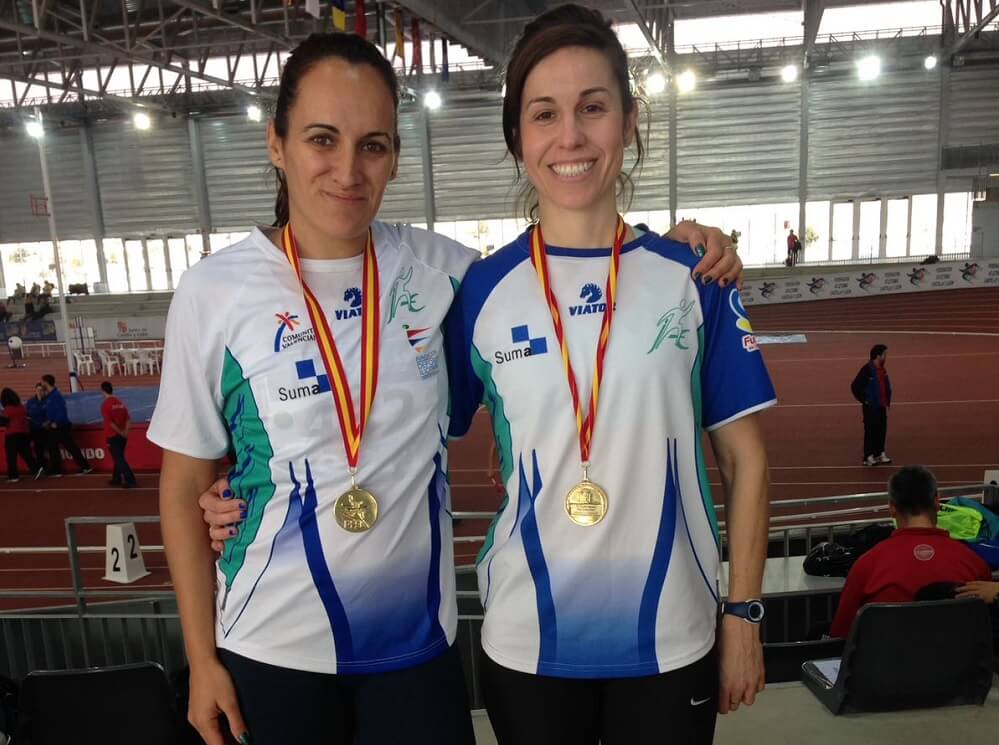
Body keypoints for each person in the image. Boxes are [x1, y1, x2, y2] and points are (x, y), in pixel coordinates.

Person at [159, 28, 745, 745]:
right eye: (321, 139)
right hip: (267, 643)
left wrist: (685, 242)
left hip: (416, 651)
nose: (347, 169)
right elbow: (182, 478)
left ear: (395, 158)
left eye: (372, 144)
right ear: (277, 144)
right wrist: (199, 656)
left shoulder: (448, 272)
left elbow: (567, 259)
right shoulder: (213, 291)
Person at [829, 466, 991, 638]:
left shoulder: (867, 565)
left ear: (892, 507)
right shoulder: (973, 563)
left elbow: (840, 635)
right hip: (958, 663)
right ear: (937, 503)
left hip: (884, 663)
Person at [39, 373, 92, 476]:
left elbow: (61, 411)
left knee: (68, 447)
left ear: (46, 382)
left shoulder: (56, 395)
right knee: (54, 447)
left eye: (42, 382)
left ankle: (84, 466)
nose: (41, 384)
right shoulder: (50, 395)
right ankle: (58, 469)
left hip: (60, 426)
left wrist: (56, 423)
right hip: (55, 426)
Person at [851, 344, 892, 466]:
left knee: (881, 429)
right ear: (878, 355)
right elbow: (855, 386)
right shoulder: (867, 369)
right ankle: (868, 456)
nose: (886, 357)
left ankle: (879, 453)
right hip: (871, 406)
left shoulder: (882, 369)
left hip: (881, 404)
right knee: (870, 430)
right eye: (884, 354)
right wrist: (864, 400)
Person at [0, 388, 43, 483]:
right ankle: (36, 469)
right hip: (23, 434)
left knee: (11, 457)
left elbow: (3, 422)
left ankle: (13, 476)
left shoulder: (7, 410)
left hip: (12, 435)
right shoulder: (22, 407)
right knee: (27, 454)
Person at [100, 382, 136, 488]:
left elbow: (110, 423)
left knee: (119, 458)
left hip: (112, 435)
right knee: (118, 457)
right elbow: (128, 419)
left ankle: (130, 479)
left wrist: (121, 432)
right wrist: (125, 432)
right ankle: (116, 478)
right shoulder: (120, 403)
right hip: (122, 436)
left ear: (102, 391)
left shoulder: (105, 405)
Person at [25, 383, 48, 473]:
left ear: (44, 391)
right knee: (37, 449)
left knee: (46, 449)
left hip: (45, 429)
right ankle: (39, 467)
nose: (39, 392)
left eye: (41, 390)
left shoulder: (48, 401)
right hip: (34, 429)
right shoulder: (31, 401)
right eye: (37, 390)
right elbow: (26, 414)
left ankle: (46, 467)